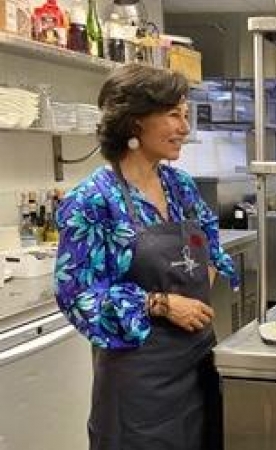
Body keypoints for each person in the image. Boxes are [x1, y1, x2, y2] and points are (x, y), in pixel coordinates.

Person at [54, 64, 239, 450]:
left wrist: (196, 292)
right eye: (173, 115)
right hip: (139, 383)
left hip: (198, 365)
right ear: (135, 121)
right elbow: (78, 294)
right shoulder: (91, 200)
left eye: (185, 115)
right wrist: (161, 303)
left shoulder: (181, 186)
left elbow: (211, 248)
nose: (185, 128)